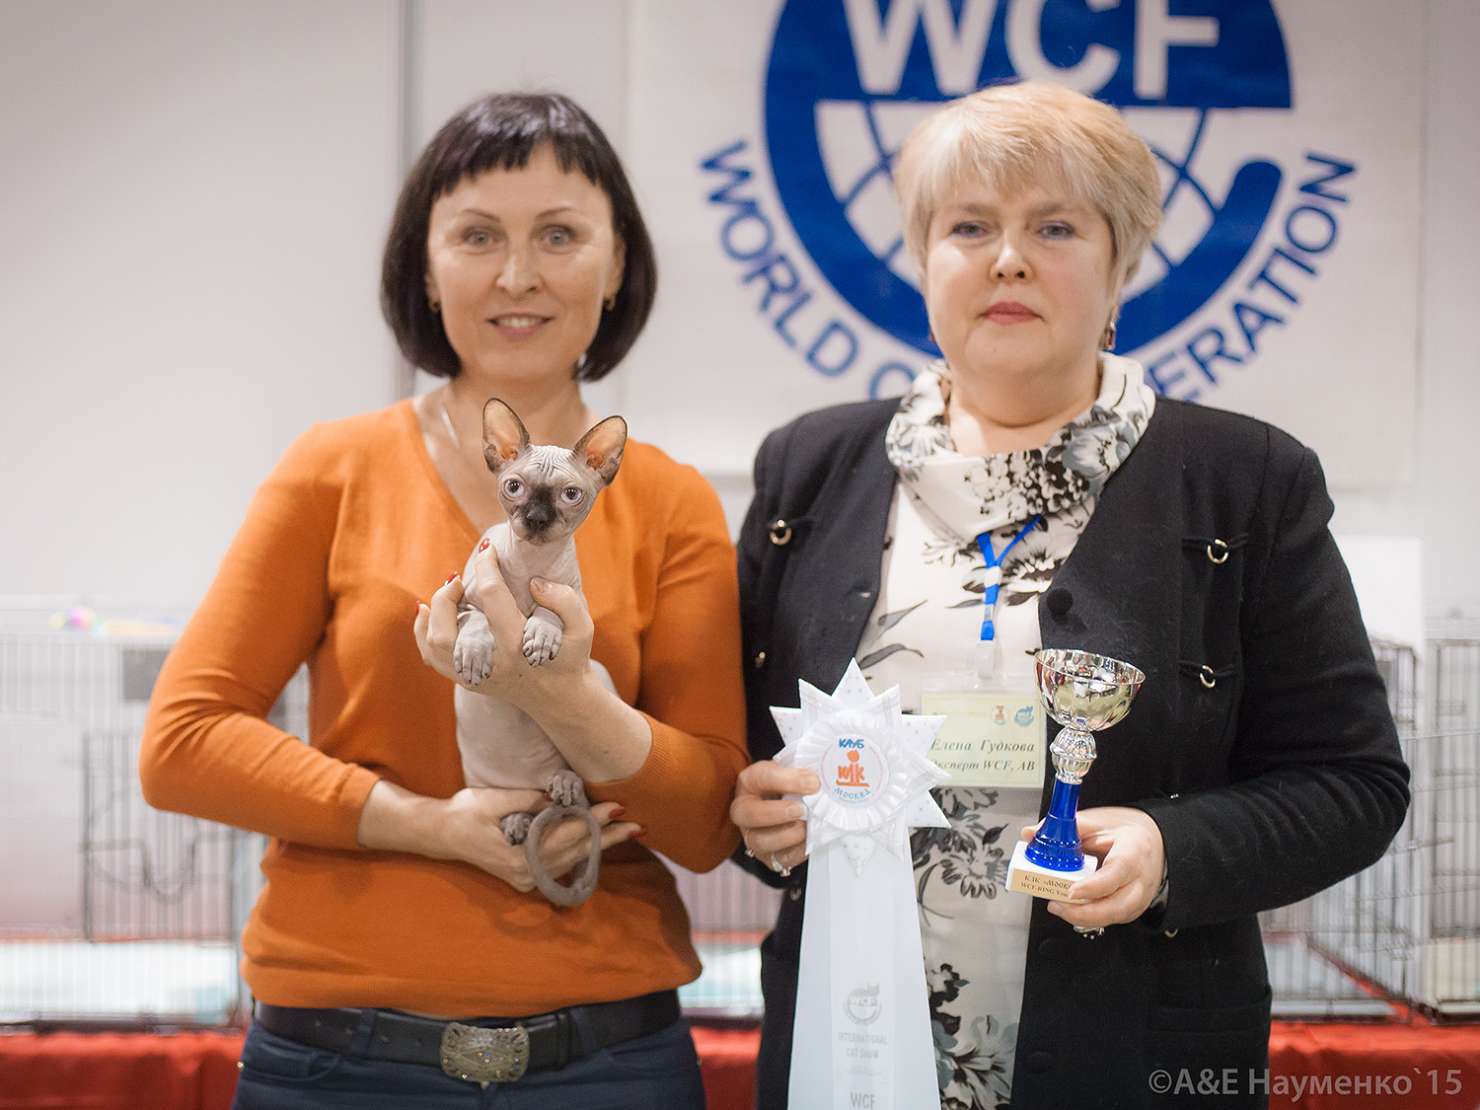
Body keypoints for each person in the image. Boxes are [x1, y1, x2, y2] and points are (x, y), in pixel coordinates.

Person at [729, 81, 1409, 1110]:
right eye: (969, 226)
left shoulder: (1244, 481)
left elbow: (1353, 784)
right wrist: (750, 808)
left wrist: (1171, 850)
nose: (1007, 258)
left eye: (1054, 227)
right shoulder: (808, 467)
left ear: (1119, 262)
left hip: (1133, 1051)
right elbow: (739, 753)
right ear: (922, 257)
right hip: (849, 1052)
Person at [140, 92, 746, 1109]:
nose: (517, 275)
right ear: (425, 268)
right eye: (477, 236)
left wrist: (562, 699)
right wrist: (436, 827)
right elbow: (182, 743)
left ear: (619, 266)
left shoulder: (672, 501)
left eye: (559, 235)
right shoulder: (333, 469)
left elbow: (705, 823)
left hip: (605, 1058)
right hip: (338, 1058)